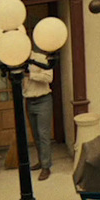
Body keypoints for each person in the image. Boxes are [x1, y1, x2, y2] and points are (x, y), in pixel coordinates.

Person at [25, 47, 56, 181]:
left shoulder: (40, 58)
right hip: (29, 100)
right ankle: (41, 161)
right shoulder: (17, 62)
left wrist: (31, 75)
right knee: (35, 135)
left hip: (43, 99)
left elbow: (49, 78)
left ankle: (46, 167)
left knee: (43, 134)